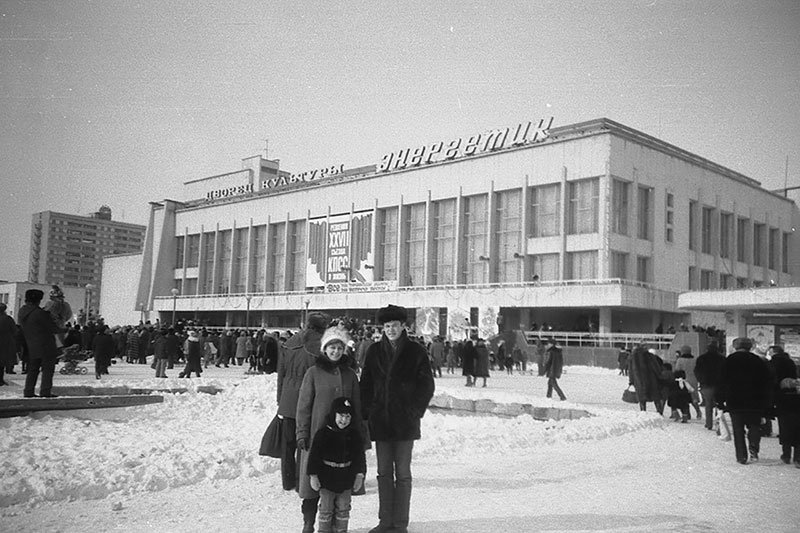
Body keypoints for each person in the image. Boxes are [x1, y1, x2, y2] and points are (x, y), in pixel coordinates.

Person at [360, 304, 435, 533]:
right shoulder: (374, 351)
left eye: (394, 325)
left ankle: (400, 523)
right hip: (381, 421)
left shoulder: (416, 351)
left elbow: (426, 385)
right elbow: (366, 385)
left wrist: (414, 411)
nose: (390, 329)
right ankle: (385, 522)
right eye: (386, 326)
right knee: (383, 473)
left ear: (404, 326)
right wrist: (367, 413)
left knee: (402, 474)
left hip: (405, 423)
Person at [296, 326, 361, 533]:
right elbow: (303, 406)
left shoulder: (350, 375)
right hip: (317, 436)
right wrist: (302, 432)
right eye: (332, 347)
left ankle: (334, 525)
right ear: (325, 349)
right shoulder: (313, 373)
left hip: (343, 440)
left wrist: (361, 437)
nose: (335, 352)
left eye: (339, 348)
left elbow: (357, 407)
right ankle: (308, 522)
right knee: (311, 486)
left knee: (337, 486)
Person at [277, 312, 330, 522]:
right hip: (308, 400)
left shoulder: (290, 341)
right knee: (305, 443)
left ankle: (287, 480)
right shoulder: (319, 345)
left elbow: (280, 372)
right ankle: (301, 482)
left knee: (287, 443)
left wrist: (279, 397)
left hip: (287, 399)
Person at [307, 396, 366, 533]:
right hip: (327, 479)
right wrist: (313, 475)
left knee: (344, 508)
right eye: (340, 415)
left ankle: (341, 530)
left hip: (346, 479)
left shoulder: (354, 435)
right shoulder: (323, 433)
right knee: (326, 509)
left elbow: (359, 457)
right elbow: (314, 456)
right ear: (334, 414)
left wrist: (359, 475)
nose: (343, 420)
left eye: (347, 416)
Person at [717, 337, 773, 465]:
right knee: (754, 426)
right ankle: (754, 448)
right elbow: (766, 382)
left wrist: (720, 400)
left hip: (735, 400)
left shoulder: (729, 361)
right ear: (750, 347)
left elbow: (721, 381)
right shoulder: (758, 361)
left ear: (735, 347)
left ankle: (741, 456)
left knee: (738, 428)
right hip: (755, 400)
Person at [18, 289, 60, 398]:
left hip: (31, 344)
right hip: (46, 345)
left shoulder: (22, 312)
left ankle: (28, 391)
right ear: (38, 300)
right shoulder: (40, 313)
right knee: (47, 370)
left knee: (32, 369)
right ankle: (45, 392)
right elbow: (53, 328)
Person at [768, 345, 800, 466]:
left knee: (785, 428)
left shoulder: (773, 363)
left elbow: (771, 380)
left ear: (773, 352)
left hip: (781, 400)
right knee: (797, 429)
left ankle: (786, 455)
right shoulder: (791, 362)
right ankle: (798, 458)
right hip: (794, 399)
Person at [694, 340, 725, 430]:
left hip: (706, 384)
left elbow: (697, 371)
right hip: (719, 384)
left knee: (708, 404)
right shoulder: (722, 359)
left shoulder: (701, 358)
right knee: (719, 405)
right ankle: (719, 423)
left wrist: (701, 380)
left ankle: (709, 423)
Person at [628, 344, 665, 414]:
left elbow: (630, 371)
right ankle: (659, 412)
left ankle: (643, 412)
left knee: (642, 397)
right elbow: (656, 367)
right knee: (655, 396)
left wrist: (631, 381)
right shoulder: (650, 356)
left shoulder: (632, 358)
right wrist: (659, 376)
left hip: (638, 380)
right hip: (651, 379)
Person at [674, 345, 702, 420]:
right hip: (693, 379)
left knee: (684, 397)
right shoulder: (695, 360)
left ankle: (687, 414)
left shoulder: (680, 360)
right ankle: (698, 411)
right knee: (693, 397)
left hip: (684, 380)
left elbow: (677, 370)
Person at [43, 285, 72, 349]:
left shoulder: (50, 304)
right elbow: (69, 315)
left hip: (51, 330)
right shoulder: (66, 305)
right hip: (61, 328)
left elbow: (45, 314)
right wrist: (62, 319)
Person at [0, 303, 18, 385]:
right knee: (2, 362)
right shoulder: (8, 319)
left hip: (5, 342)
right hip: (5, 343)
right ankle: (0, 379)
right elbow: (15, 330)